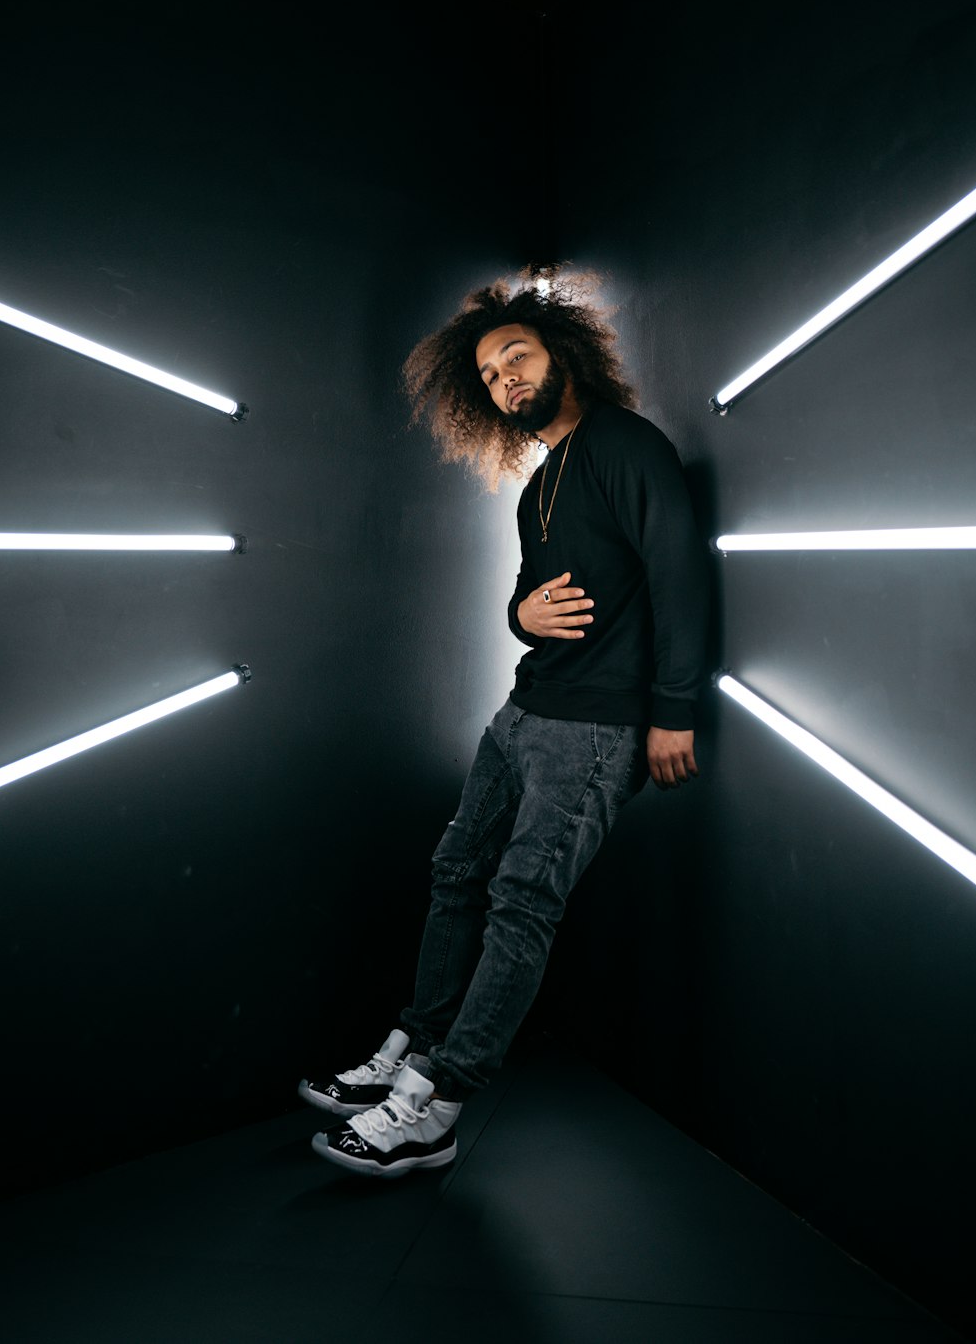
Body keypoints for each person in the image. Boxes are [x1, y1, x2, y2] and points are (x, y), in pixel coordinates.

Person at [298, 266, 706, 1178]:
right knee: (454, 876)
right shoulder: (540, 485)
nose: (505, 381)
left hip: (596, 730)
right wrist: (521, 618)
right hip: (522, 715)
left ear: (564, 353)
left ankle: (435, 1106)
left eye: (515, 357)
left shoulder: (628, 447)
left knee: (522, 904)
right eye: (488, 375)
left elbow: (679, 574)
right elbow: (525, 595)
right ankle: (410, 1046)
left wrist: (673, 712)